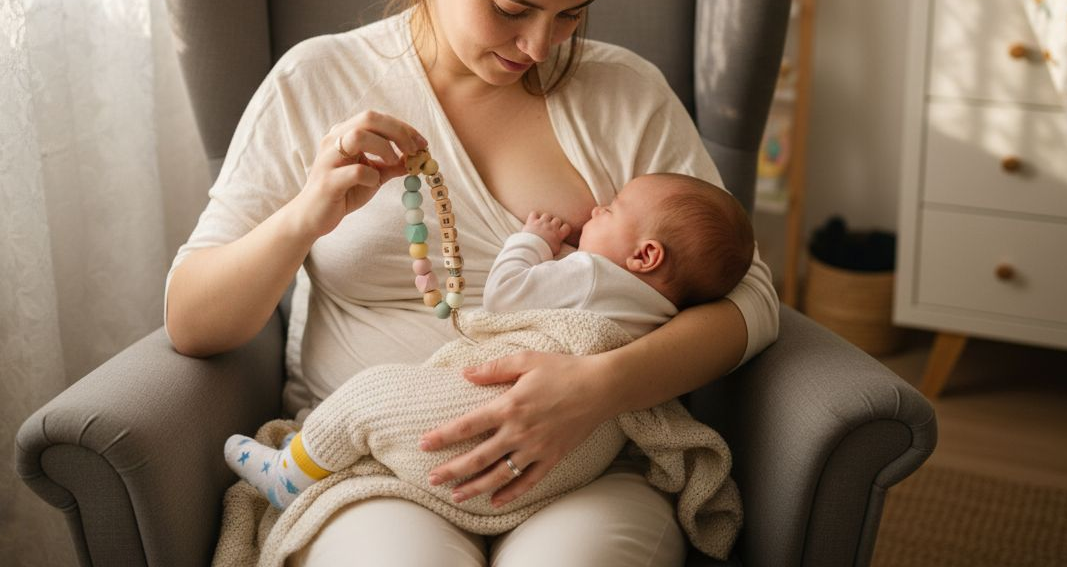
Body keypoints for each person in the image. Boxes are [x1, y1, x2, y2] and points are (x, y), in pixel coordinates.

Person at [164, 0, 779, 563]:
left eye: (571, 14)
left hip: (588, 458)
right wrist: (308, 214)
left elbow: (752, 300)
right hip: (372, 463)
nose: (539, 46)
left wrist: (600, 388)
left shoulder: (623, 93)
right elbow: (193, 320)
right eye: (512, 8)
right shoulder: (318, 80)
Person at [223, 172, 755, 512]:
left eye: (611, 209)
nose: (596, 210)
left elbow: (505, 298)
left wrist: (533, 243)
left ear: (645, 256)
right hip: (564, 468)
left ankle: (289, 473)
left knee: (371, 393)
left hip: (485, 425)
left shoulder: (591, 273)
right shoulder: (665, 318)